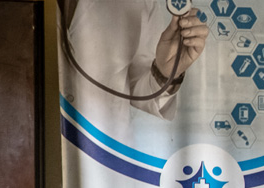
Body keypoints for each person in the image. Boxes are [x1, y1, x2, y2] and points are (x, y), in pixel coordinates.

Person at [62, 0, 210, 124]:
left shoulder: (142, 2)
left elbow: (143, 93)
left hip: (106, 149)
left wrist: (164, 73)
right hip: (42, 144)